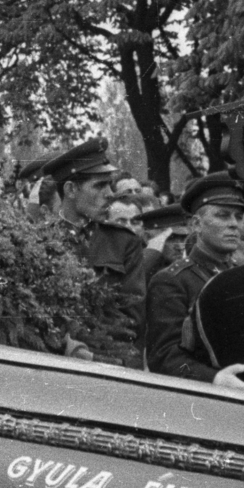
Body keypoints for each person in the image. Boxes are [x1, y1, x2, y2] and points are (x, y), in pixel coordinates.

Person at [39, 138, 148, 364]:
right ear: (70, 189)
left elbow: (132, 317)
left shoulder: (123, 242)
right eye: (99, 185)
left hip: (111, 362)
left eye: (110, 184)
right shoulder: (37, 241)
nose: (110, 193)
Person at [145, 173, 244, 390]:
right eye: (223, 216)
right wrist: (213, 379)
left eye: (238, 216)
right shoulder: (172, 281)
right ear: (196, 224)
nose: (234, 224)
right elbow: (165, 358)